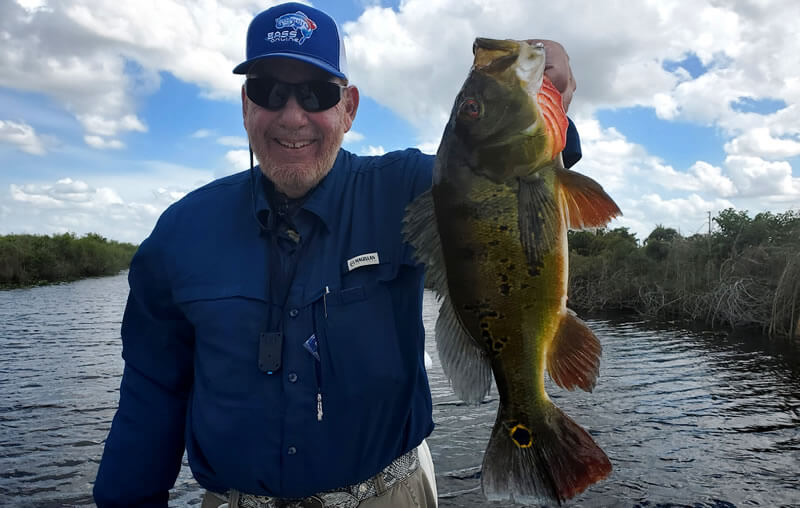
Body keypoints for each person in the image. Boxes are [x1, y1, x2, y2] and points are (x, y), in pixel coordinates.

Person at [93, 3, 581, 507]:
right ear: (245, 106)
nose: (292, 115)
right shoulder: (180, 233)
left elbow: (500, 175)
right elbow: (152, 396)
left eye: (316, 94)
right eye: (269, 91)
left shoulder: (412, 188)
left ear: (348, 108)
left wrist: (549, 94)